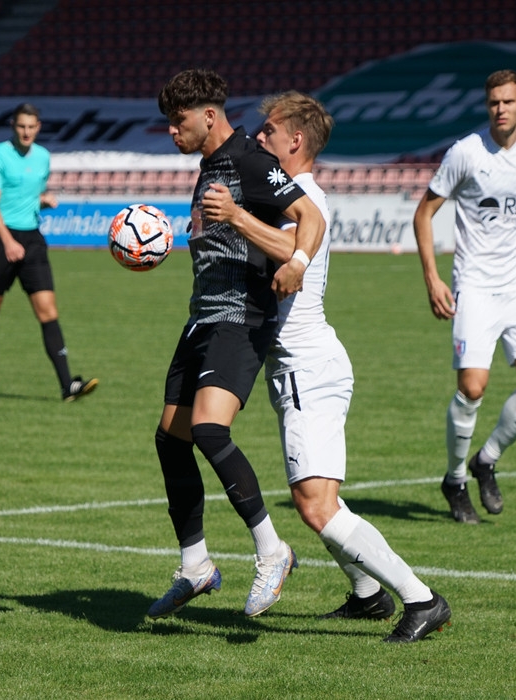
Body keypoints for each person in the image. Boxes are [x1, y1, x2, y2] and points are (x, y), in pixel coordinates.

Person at [202, 91, 451, 643]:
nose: (258, 138)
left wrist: (235, 216)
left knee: (315, 505)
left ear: (295, 140)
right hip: (299, 367)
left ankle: (422, 599)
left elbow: (286, 248)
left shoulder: (306, 198)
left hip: (309, 367)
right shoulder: (288, 196)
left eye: (268, 131)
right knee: (317, 500)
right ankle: (367, 595)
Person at [147, 69, 324, 620]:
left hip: (242, 316)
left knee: (208, 429)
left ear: (208, 115)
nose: (172, 132)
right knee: (171, 439)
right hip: (201, 318)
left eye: (178, 121)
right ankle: (195, 565)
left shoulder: (249, 158)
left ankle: (273, 551)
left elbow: (310, 217)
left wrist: (296, 260)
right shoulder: (208, 167)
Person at [413, 69, 516, 524]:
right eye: (494, 102)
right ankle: (455, 479)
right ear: (487, 105)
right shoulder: (466, 153)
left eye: (508, 102)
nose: (500, 109)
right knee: (472, 387)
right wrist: (433, 279)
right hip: (474, 286)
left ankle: (486, 460)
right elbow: (424, 213)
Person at [0, 102, 97, 402]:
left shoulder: (43, 157)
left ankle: (67, 386)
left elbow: (27, 195)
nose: (26, 132)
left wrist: (42, 201)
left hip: (33, 238)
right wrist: (7, 241)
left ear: (38, 127)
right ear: (13, 126)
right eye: (21, 126)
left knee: (48, 311)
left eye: (31, 127)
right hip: (2, 238)